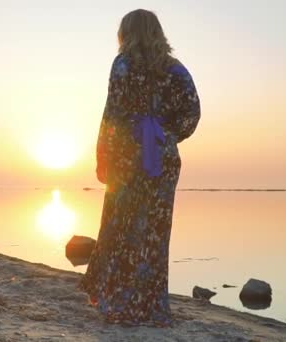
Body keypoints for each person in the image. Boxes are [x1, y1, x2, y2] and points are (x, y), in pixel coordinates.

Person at [77, 9, 201, 327]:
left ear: (126, 32)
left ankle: (118, 301)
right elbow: (192, 111)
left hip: (127, 159)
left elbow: (112, 114)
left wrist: (102, 157)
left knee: (120, 230)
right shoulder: (175, 69)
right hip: (162, 161)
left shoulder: (123, 64)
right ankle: (150, 306)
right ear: (158, 32)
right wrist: (166, 135)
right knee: (154, 235)